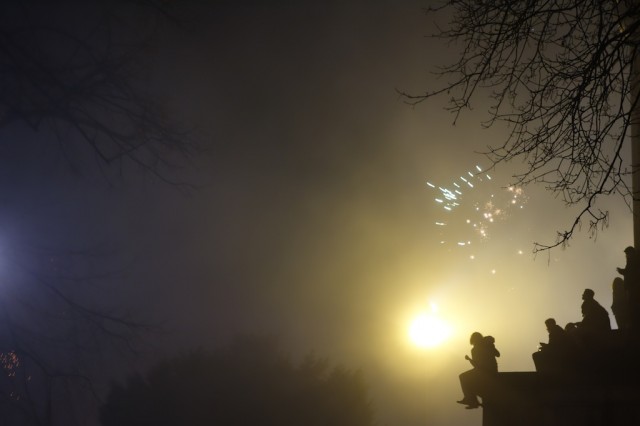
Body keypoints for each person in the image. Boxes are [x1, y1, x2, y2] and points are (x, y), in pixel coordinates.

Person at [457, 332, 500, 409]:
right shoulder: (487, 345)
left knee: (463, 377)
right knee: (467, 379)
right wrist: (491, 346)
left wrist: (469, 359)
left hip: (484, 372)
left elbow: (476, 365)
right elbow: (498, 354)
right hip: (492, 370)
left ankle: (471, 400)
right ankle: (471, 400)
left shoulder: (475, 349)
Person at [617, 246, 640, 330]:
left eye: (627, 253)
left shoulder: (634, 261)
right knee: (632, 306)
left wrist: (621, 271)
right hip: (631, 287)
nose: (626, 255)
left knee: (633, 306)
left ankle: (634, 324)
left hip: (634, 287)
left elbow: (631, 273)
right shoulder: (631, 261)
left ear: (631, 253)